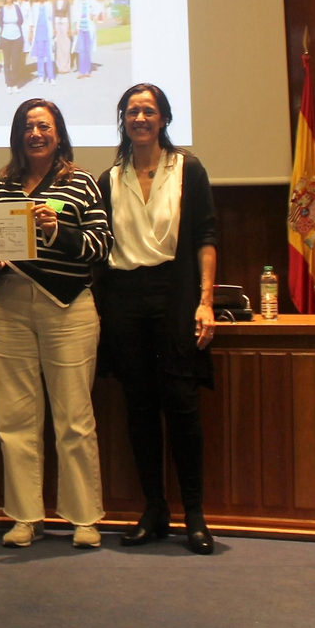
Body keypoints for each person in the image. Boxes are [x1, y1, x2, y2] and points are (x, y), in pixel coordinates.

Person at [0, 98, 111, 549]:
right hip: (10, 306)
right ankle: (25, 516)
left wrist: (56, 231)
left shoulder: (84, 184)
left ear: (58, 134)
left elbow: (100, 247)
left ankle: (83, 517)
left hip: (68, 308)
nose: (36, 133)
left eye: (44, 126)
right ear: (18, 136)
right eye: (28, 127)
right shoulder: (1, 188)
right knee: (15, 417)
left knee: (74, 417)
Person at [95, 83, 218, 554]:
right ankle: (155, 509)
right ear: (123, 120)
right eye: (131, 111)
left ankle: (195, 514)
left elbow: (206, 236)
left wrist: (205, 301)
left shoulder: (188, 169)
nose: (139, 118)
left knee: (182, 407)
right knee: (140, 410)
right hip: (125, 299)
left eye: (148, 111)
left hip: (176, 295)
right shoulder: (110, 178)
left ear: (163, 118)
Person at [0, 0, 26, 93]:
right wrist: (7, 29)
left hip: (16, 37)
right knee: (7, 61)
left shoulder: (16, 7)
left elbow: (21, 20)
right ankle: (8, 84)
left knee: (15, 61)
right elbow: (1, 23)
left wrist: (14, 28)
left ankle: (14, 83)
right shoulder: (2, 9)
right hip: (6, 37)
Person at [72, 0, 101, 78]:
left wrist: (95, 15)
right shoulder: (76, 0)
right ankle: (81, 71)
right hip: (80, 28)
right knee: (81, 50)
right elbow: (74, 14)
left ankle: (87, 71)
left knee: (87, 50)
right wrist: (75, 26)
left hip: (88, 28)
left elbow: (98, 8)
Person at [30, 0, 56, 85]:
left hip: (47, 33)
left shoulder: (49, 5)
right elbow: (33, 20)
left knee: (49, 55)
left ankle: (51, 77)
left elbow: (51, 18)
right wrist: (32, 32)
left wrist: (53, 29)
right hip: (38, 33)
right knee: (40, 55)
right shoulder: (35, 6)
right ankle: (41, 75)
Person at [53, 0, 72, 76]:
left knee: (66, 44)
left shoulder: (66, 1)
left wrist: (69, 28)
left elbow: (69, 14)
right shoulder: (55, 2)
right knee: (58, 45)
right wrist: (53, 27)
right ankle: (59, 67)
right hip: (57, 23)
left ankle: (66, 66)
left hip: (65, 23)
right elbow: (53, 14)